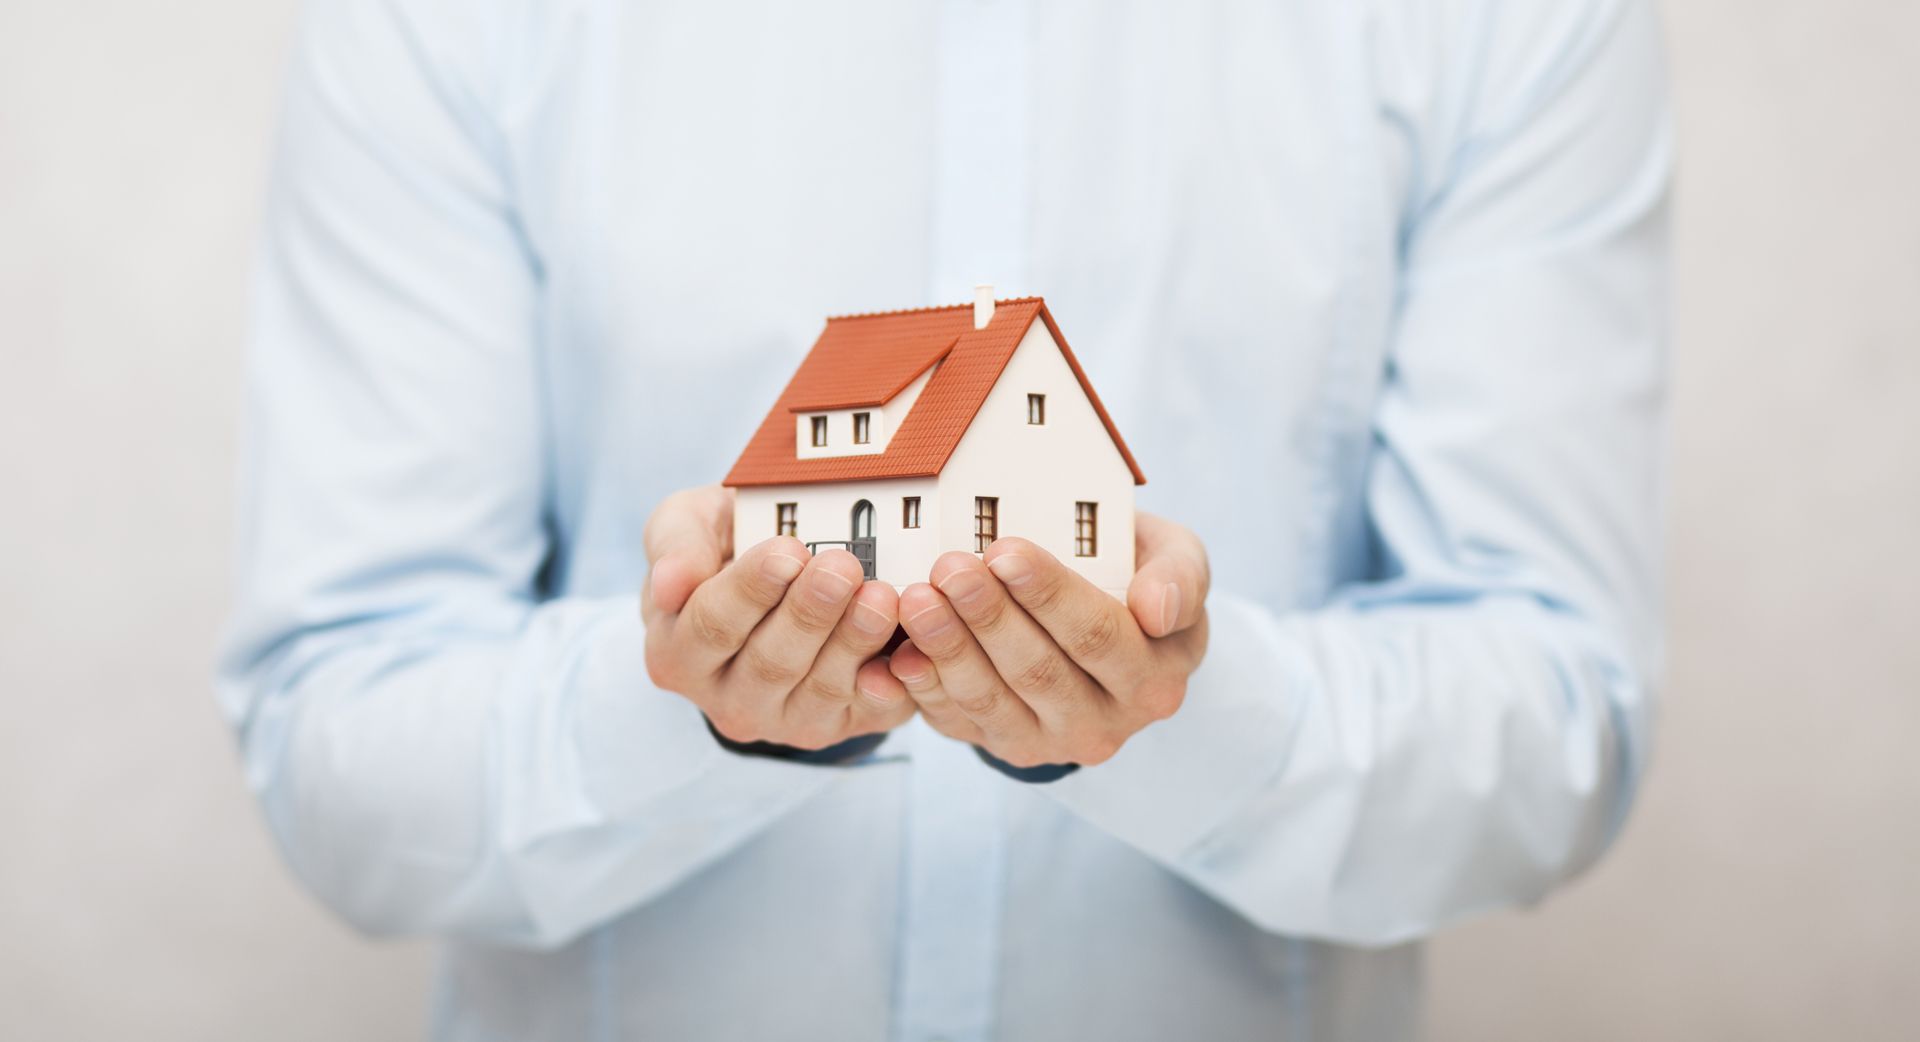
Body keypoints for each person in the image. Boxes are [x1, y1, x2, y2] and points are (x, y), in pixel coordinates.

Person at [219, 0, 1670, 1038]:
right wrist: (682, 705)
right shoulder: (443, 19)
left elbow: (1557, 713)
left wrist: (1191, 707)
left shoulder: (1512, 20)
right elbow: (343, 728)